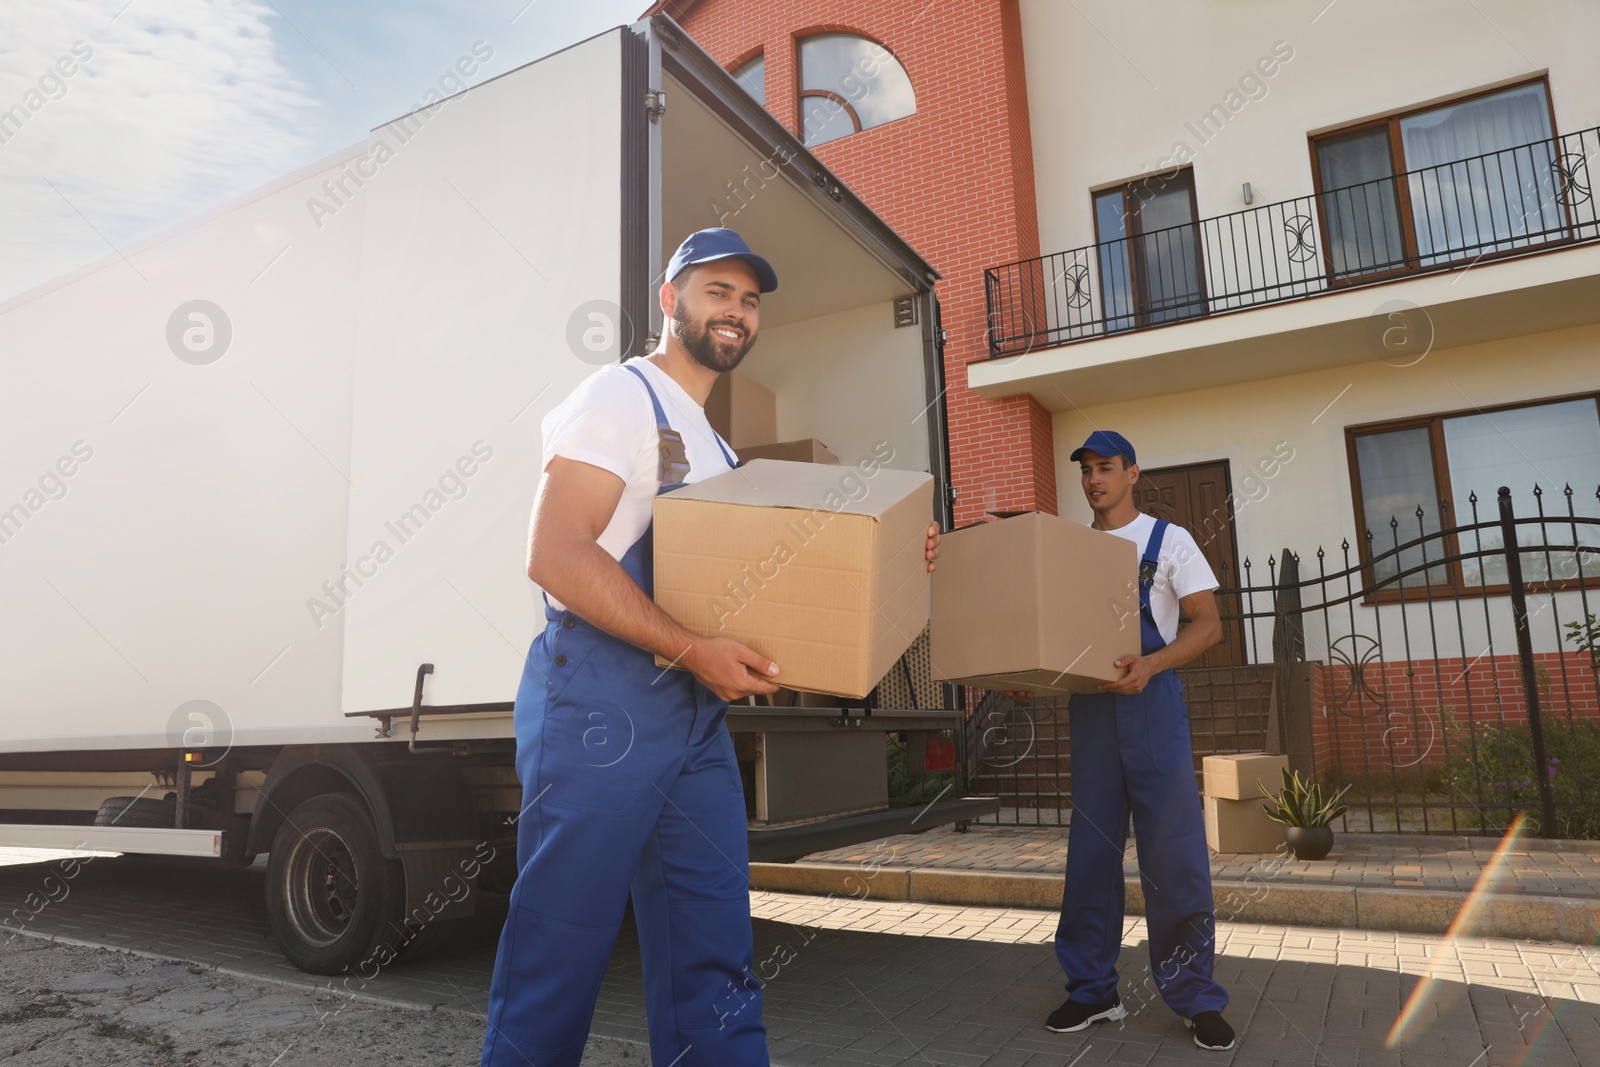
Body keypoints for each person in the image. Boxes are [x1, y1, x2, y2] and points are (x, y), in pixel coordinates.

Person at [479, 227, 941, 1067]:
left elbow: (769, 586)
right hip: (600, 703)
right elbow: (554, 553)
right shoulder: (617, 397)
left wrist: (899, 553)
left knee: (714, 944)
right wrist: (693, 651)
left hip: (692, 721)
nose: (736, 310)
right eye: (716, 291)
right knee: (562, 944)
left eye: (750, 299)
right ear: (670, 300)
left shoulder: (719, 449)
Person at [1009, 430, 1236, 1053]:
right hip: (1091, 711)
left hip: (1152, 706)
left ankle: (1195, 996)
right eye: (1085, 469)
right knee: (1090, 857)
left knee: (1175, 856)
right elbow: (1053, 632)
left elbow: (1208, 625)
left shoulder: (1169, 541)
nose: (1092, 480)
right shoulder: (1068, 547)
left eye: (1104, 468)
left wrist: (1152, 666)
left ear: (1133, 473)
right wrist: (1029, 674)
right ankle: (1091, 992)